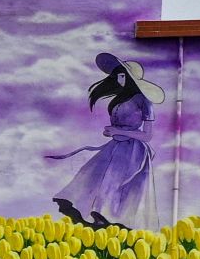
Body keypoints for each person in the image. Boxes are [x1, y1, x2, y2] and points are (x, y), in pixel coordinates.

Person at [47, 52, 165, 230]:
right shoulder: (119, 98)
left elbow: (147, 136)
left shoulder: (144, 101)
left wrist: (118, 131)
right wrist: (112, 132)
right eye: (117, 75)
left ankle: (111, 224)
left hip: (133, 153)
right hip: (115, 148)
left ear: (130, 79)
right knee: (89, 177)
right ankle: (95, 222)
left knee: (113, 187)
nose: (118, 79)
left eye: (122, 75)